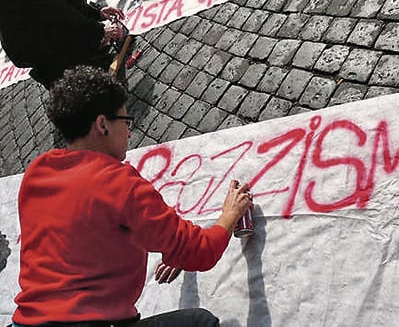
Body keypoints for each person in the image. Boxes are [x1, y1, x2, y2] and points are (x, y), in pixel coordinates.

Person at [11, 66, 253, 327]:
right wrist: (229, 215)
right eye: (126, 121)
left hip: (26, 323)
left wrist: (172, 247)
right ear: (103, 125)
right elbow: (201, 251)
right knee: (201, 322)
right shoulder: (119, 183)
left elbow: (87, 234)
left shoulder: (36, 172)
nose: (129, 132)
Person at [0, 0, 125, 89]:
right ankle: (74, 73)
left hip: (51, 44)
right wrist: (99, 30)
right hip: (47, 53)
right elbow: (58, 12)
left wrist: (97, 12)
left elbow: (67, 1)